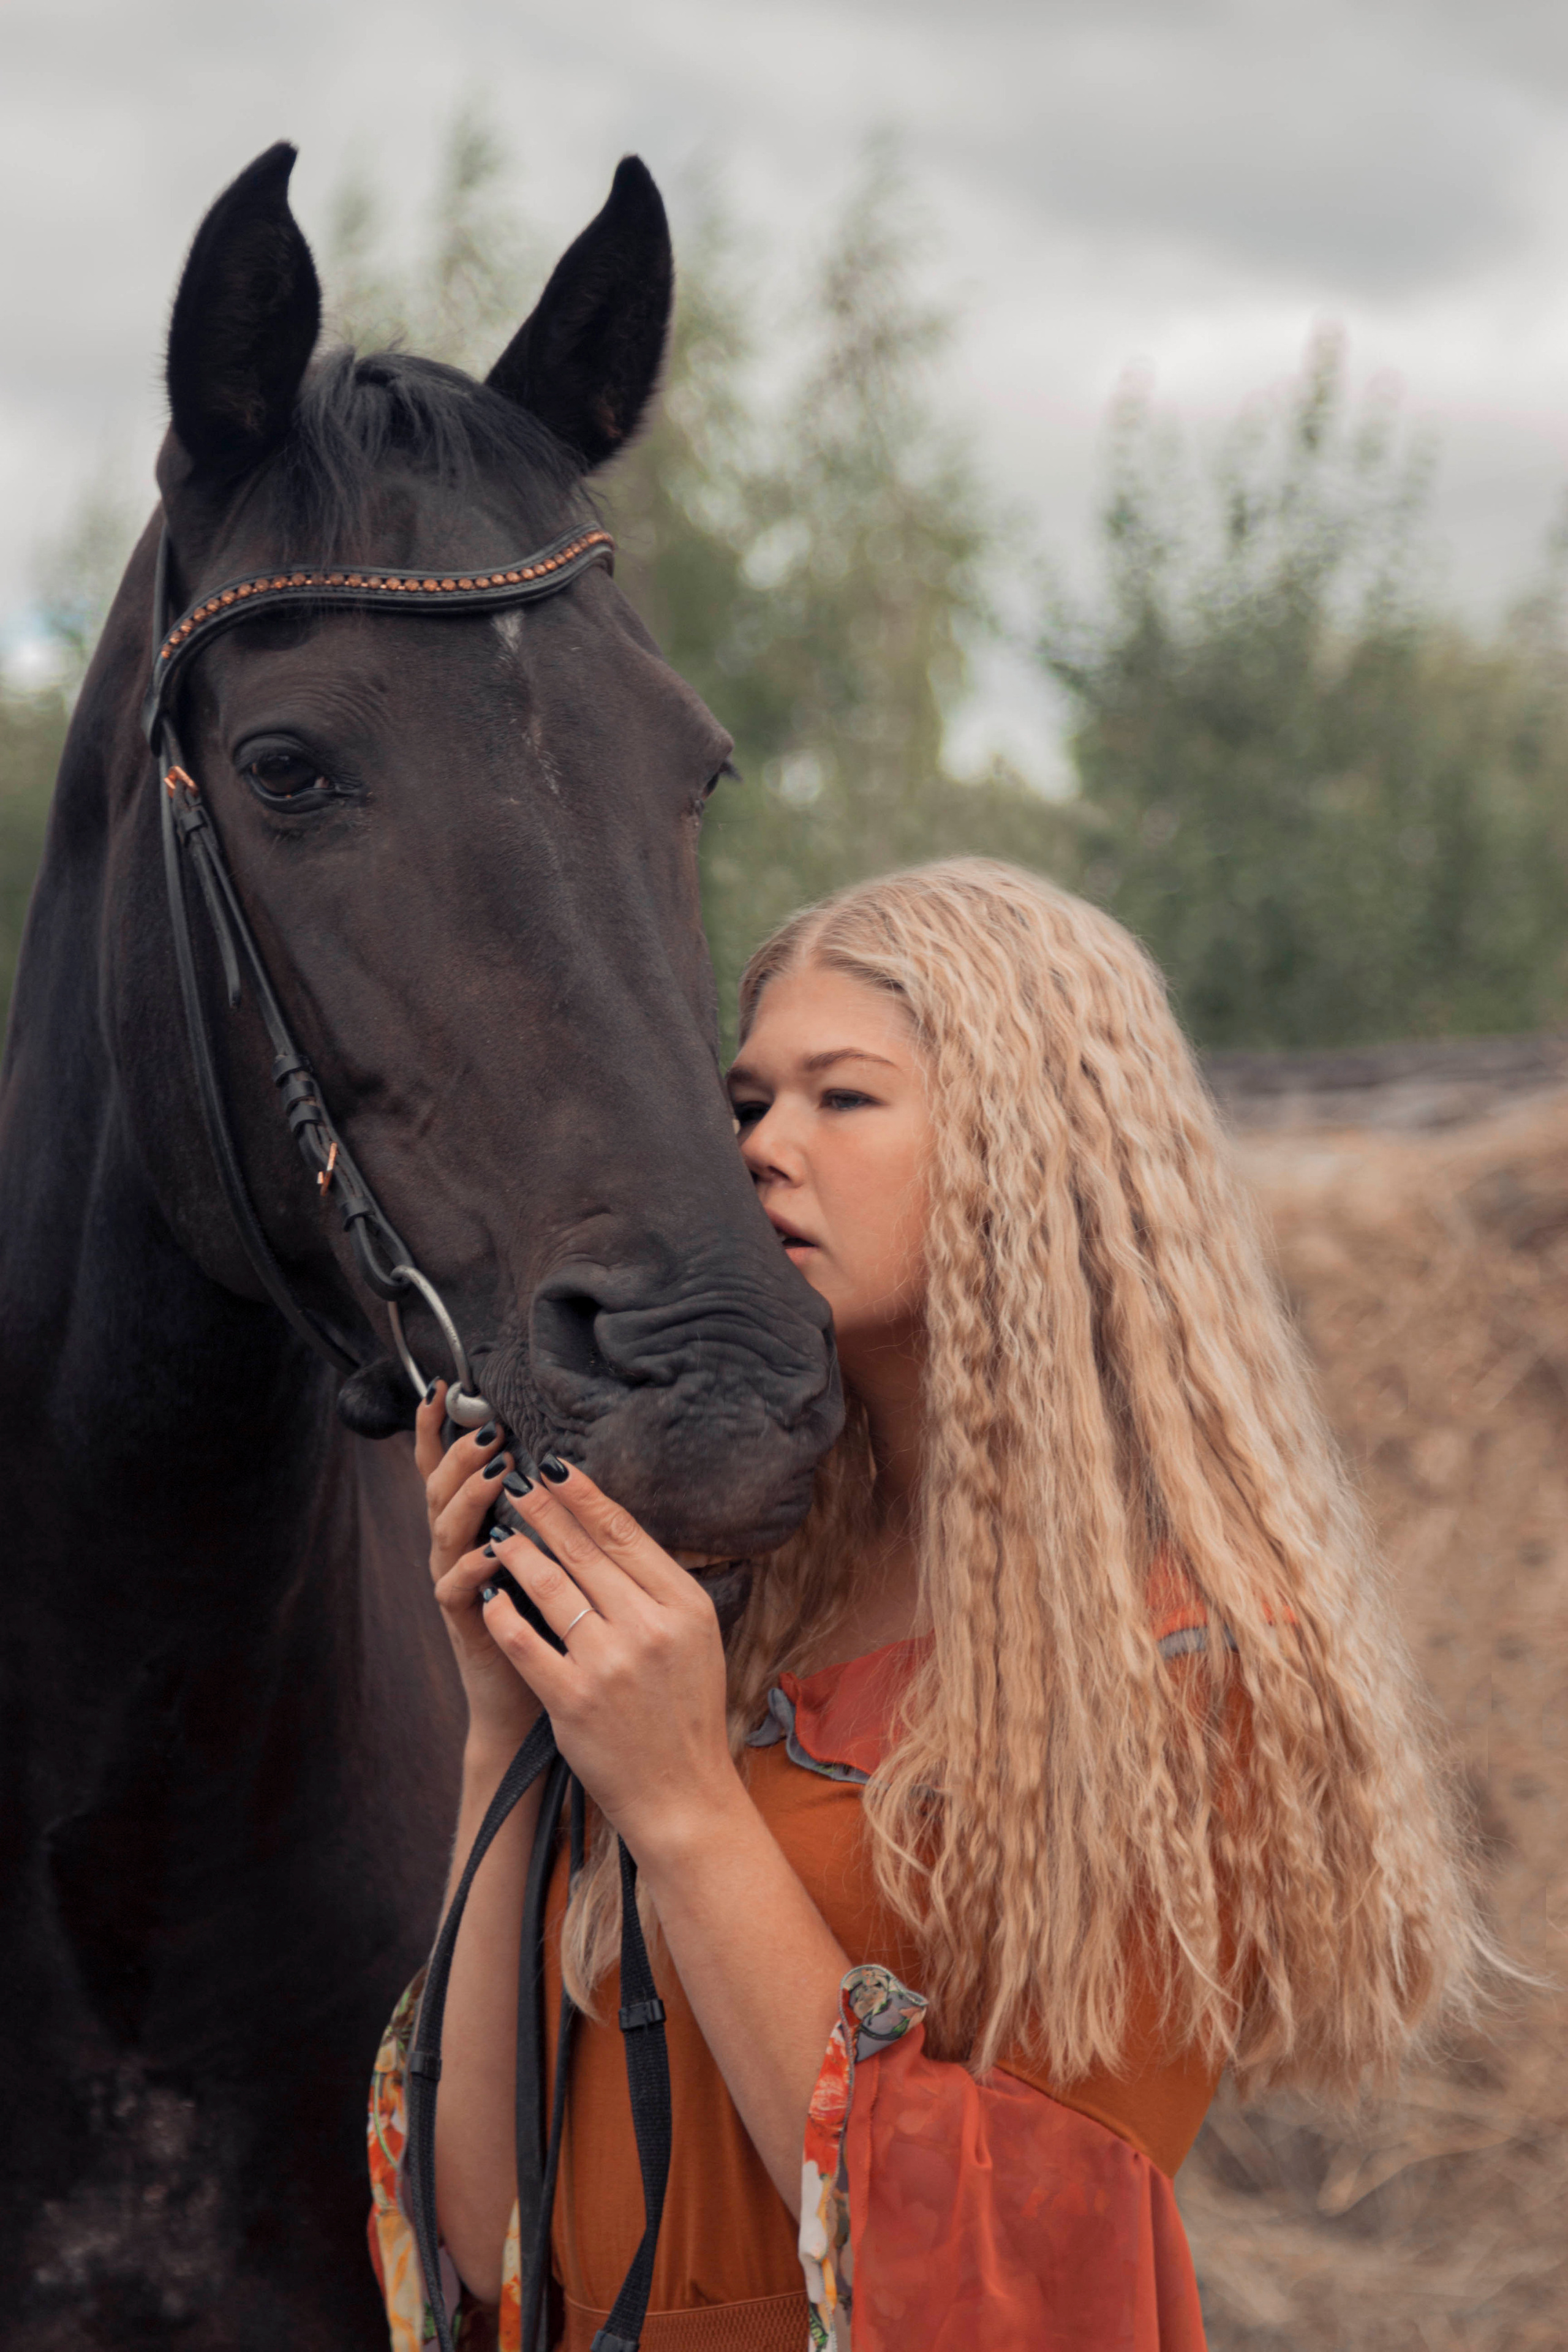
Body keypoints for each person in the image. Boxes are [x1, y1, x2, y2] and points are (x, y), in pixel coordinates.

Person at [368, 859, 1484, 2352]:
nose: (762, 1147)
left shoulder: (1192, 1664)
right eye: (747, 1100)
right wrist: (507, 1721)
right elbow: (470, 2223)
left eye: (841, 1098)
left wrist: (689, 1804)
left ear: (1035, 1153)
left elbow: (1013, 2289)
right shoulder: (734, 1599)